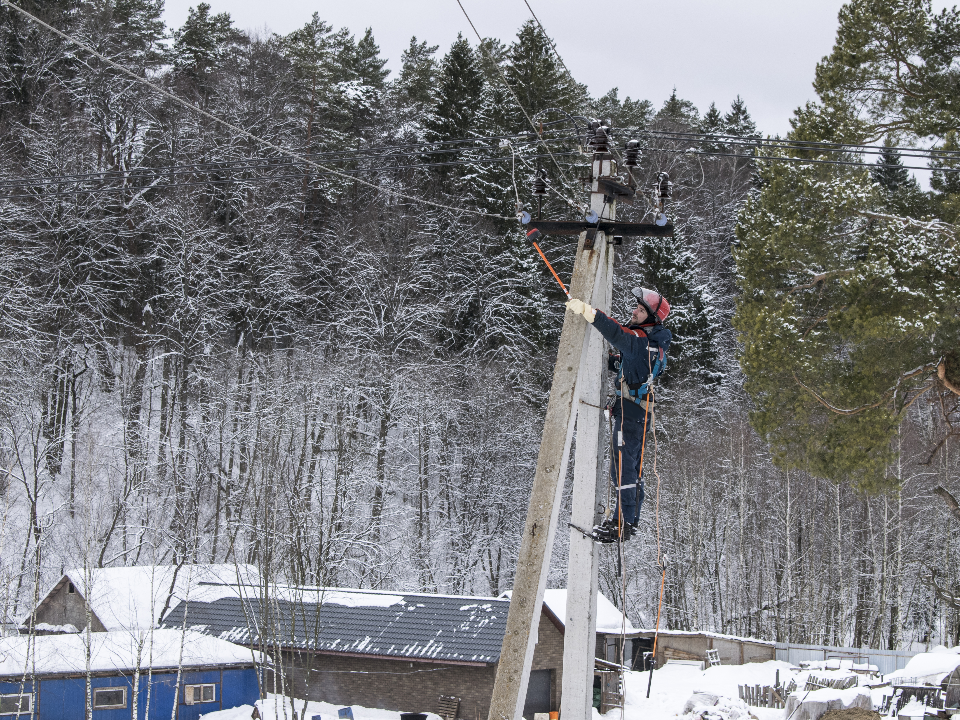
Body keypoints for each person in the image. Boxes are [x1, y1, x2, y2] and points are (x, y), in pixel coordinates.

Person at [566, 287, 671, 543]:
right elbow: (627, 361)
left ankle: (623, 522)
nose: (634, 311)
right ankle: (629, 520)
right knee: (631, 469)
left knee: (623, 470)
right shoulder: (650, 345)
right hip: (635, 412)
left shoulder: (641, 342)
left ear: (650, 318)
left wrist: (588, 312)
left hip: (632, 415)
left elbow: (616, 331)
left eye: (640, 309)